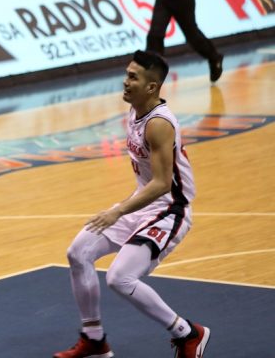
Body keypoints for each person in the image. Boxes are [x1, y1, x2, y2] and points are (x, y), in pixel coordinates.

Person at [53, 49, 210, 358]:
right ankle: (94, 339)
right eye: (126, 74)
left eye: (133, 77)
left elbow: (163, 183)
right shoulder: (135, 109)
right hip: (142, 205)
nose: (125, 82)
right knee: (78, 253)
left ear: (152, 87)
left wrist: (118, 210)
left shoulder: (159, 124)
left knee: (119, 277)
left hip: (169, 210)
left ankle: (188, 333)